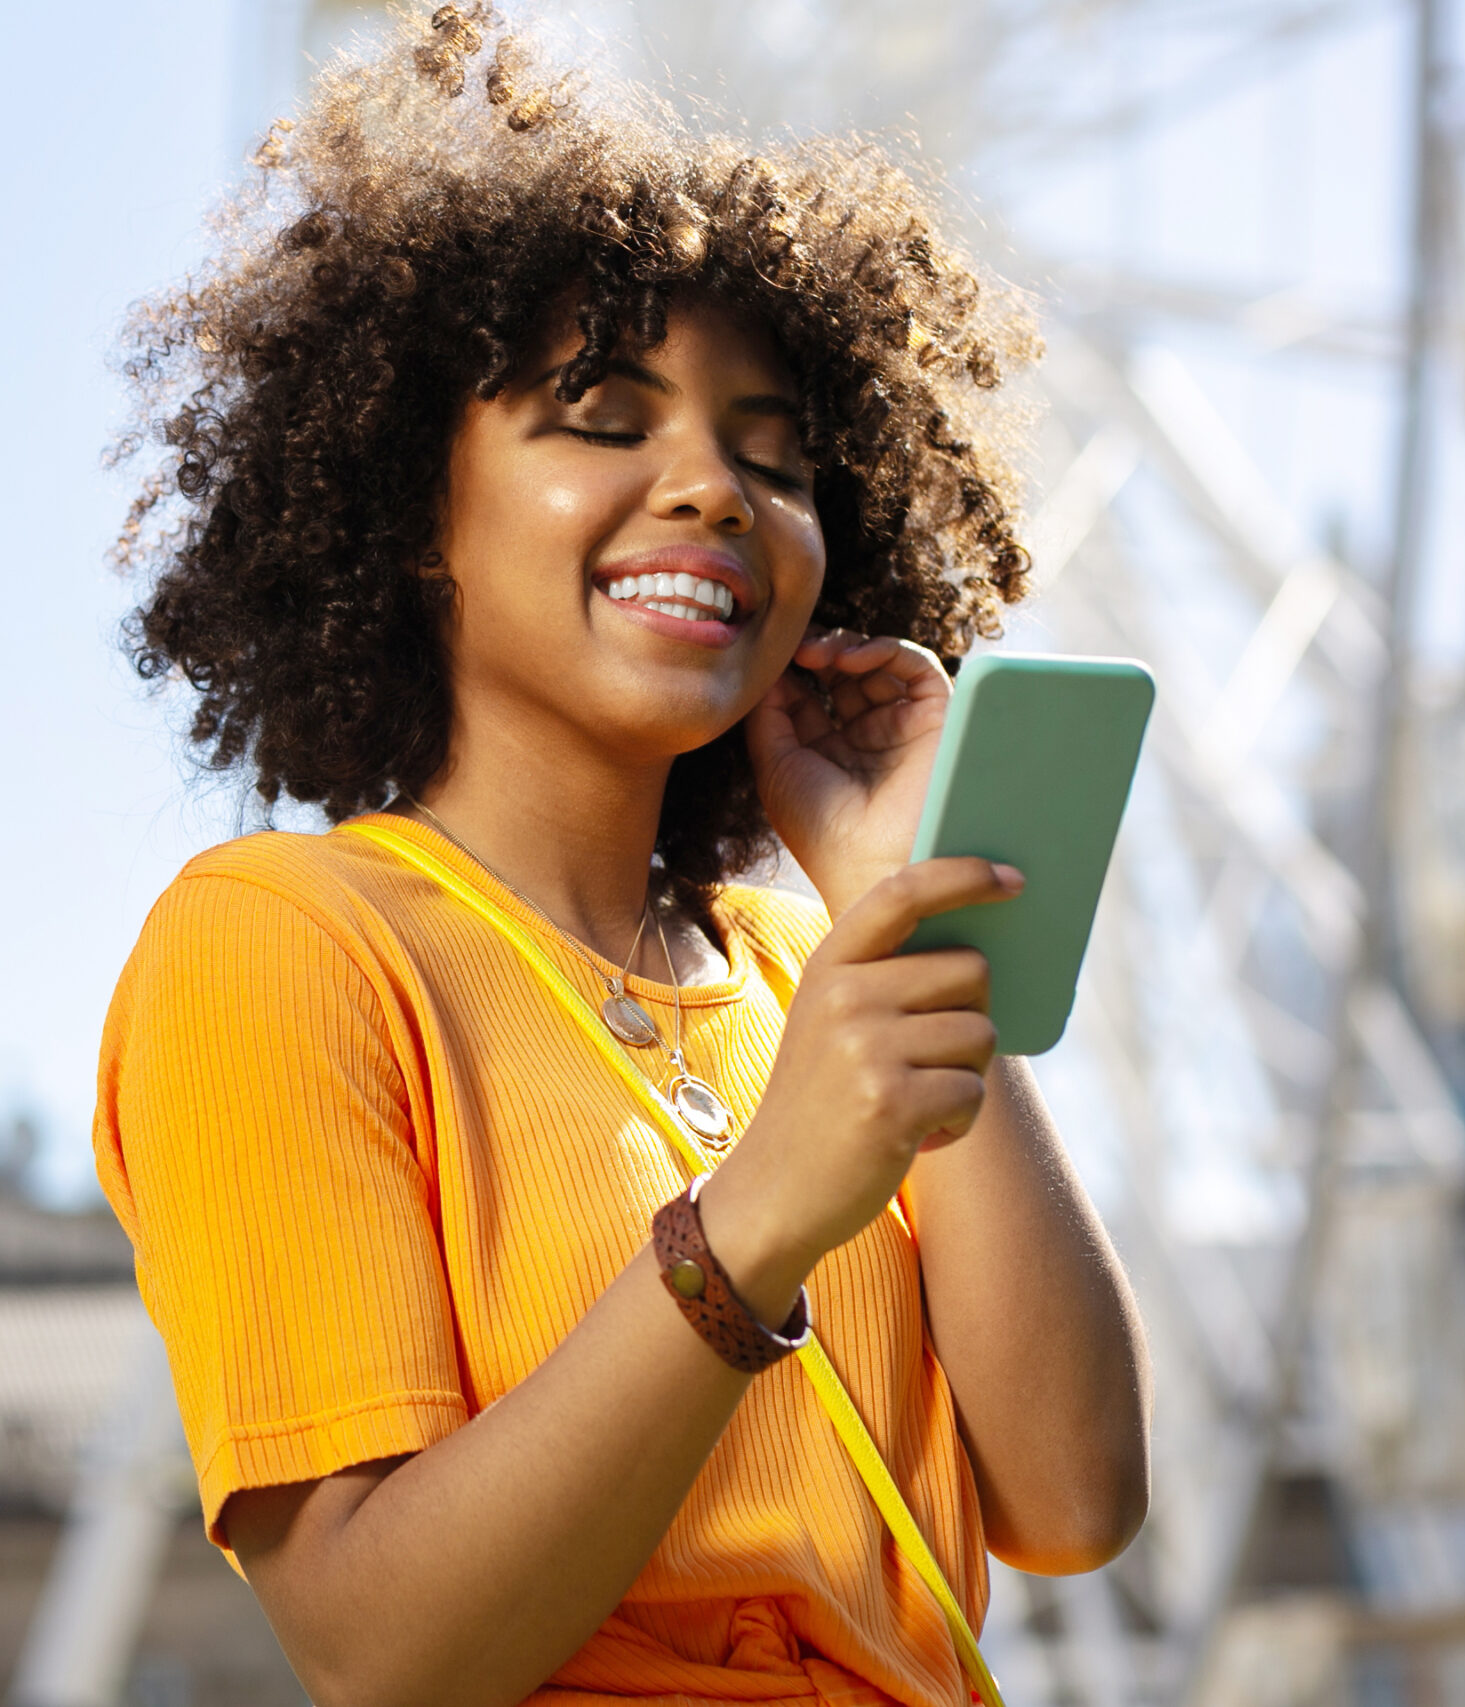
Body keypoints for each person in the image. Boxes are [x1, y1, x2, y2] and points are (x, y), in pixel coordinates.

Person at [92, 8, 1151, 1706]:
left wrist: (896, 900)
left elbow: (1078, 1497)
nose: (714, 491)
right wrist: (754, 1227)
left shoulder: (817, 969)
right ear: (408, 510)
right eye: (603, 417)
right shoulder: (281, 944)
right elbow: (383, 1653)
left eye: (775, 453)